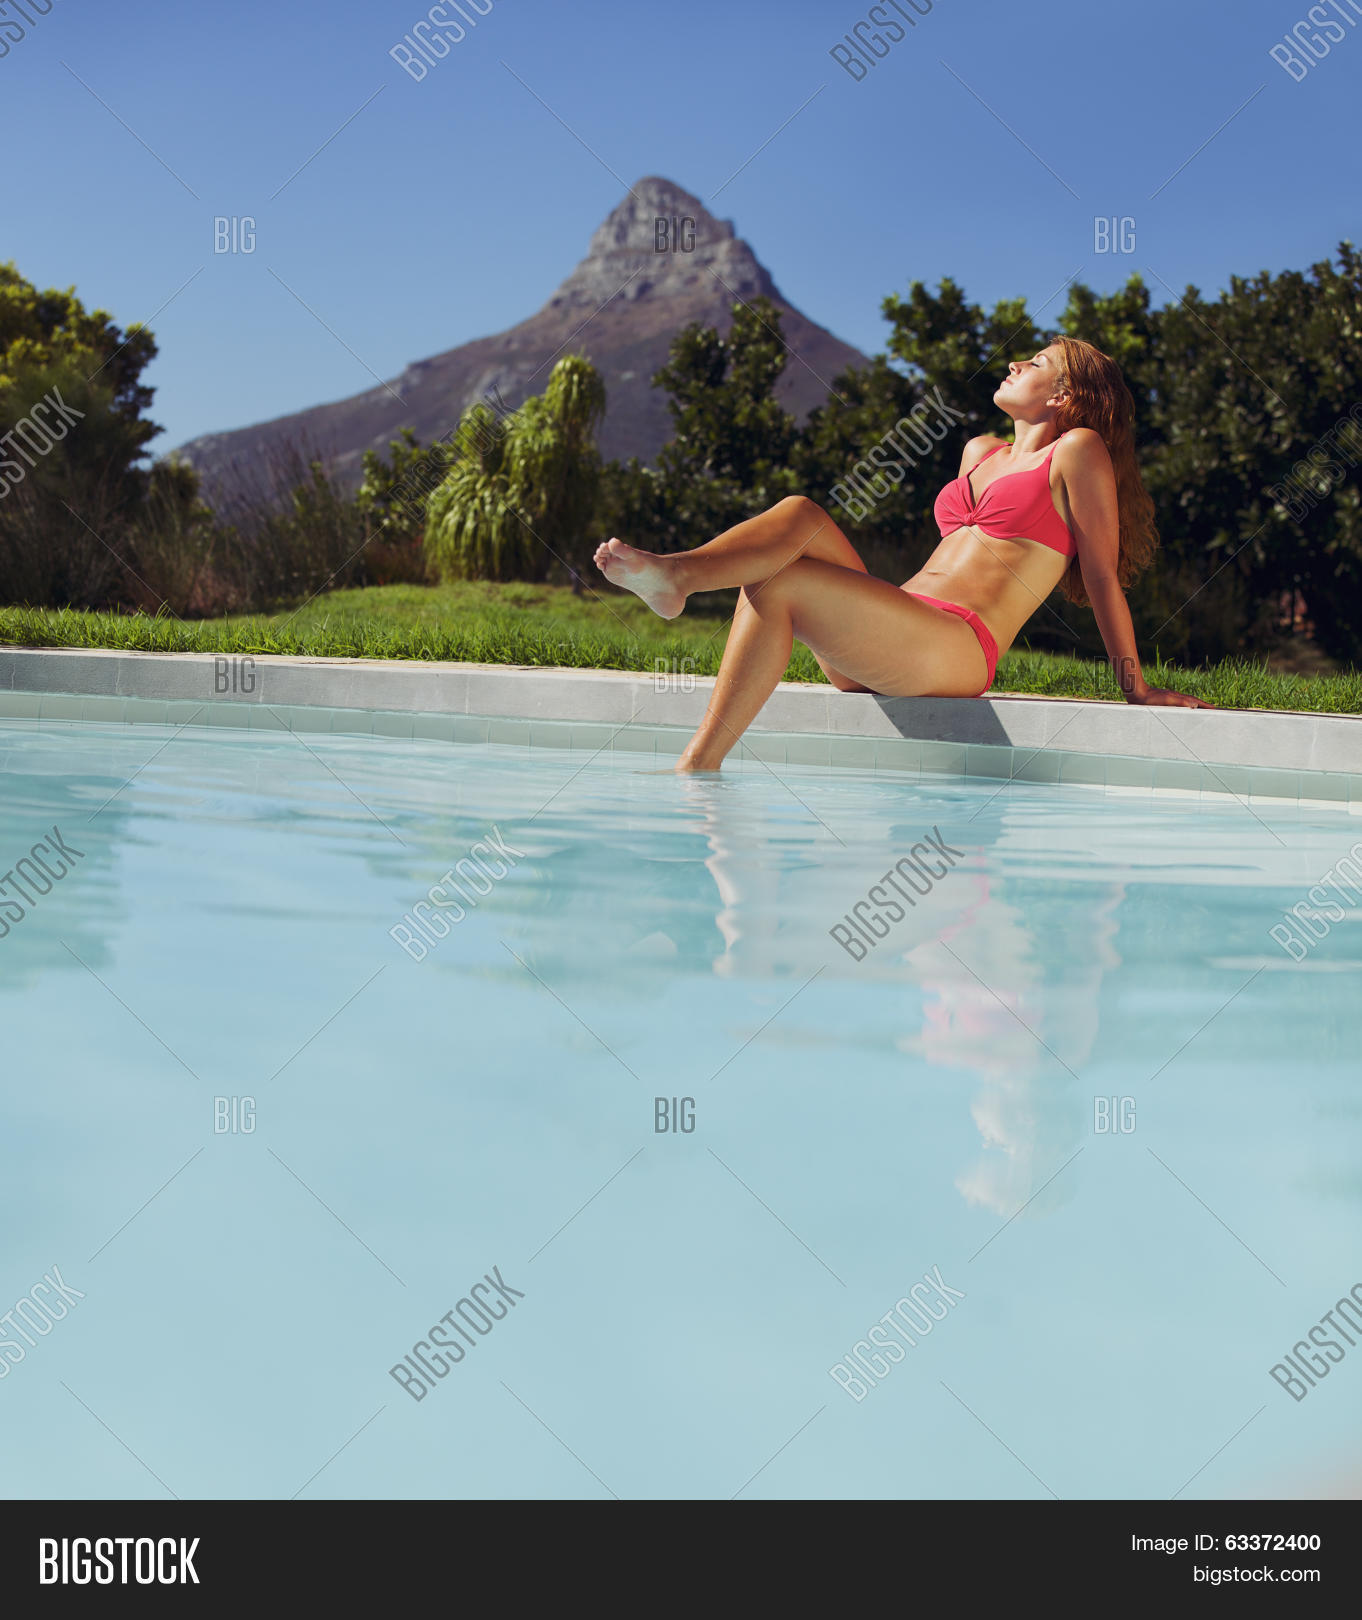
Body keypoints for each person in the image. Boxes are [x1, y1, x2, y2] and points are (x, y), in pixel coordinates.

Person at [593, 337, 1212, 772]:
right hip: (893, 635)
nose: (1017, 362)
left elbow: (1102, 575)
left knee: (778, 584)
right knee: (803, 514)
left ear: (1067, 396)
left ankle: (697, 765)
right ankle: (678, 576)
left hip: (955, 648)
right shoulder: (981, 451)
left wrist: (1137, 688)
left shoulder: (1077, 450)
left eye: (1038, 362)